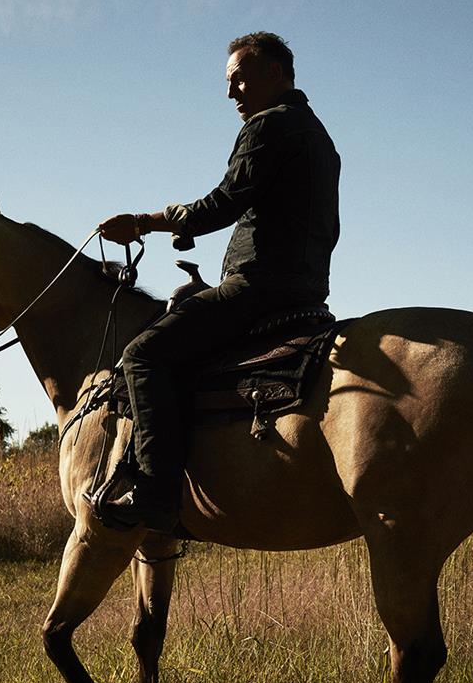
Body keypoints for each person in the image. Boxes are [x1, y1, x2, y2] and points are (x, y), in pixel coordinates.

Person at [95, 31, 341, 532]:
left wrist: (145, 222)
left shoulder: (268, 126)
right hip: (307, 291)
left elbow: (220, 204)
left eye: (239, 79)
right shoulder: (320, 136)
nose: (232, 94)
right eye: (229, 83)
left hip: (258, 288)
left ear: (274, 73)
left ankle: (156, 494)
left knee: (142, 354)